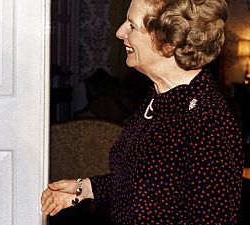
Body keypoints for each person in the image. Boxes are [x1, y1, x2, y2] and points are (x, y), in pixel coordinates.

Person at [41, 0, 243, 223]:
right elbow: (147, 184)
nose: (120, 32)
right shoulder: (159, 98)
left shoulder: (209, 123)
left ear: (168, 41)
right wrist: (84, 189)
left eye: (132, 26)